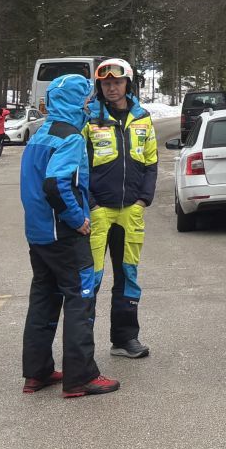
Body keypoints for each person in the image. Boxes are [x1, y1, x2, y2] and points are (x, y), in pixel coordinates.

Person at [19, 73, 117, 397]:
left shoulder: (40, 133)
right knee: (81, 301)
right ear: (77, 102)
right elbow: (55, 184)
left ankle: (37, 372)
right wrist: (77, 220)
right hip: (64, 236)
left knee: (43, 300)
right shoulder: (71, 137)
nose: (90, 103)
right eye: (87, 99)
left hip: (39, 236)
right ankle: (81, 376)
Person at [80, 59, 158, 360]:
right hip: (99, 211)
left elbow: (151, 162)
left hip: (130, 211)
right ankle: (83, 345)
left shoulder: (142, 118)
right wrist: (92, 204)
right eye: (106, 83)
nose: (112, 88)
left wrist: (143, 200)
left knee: (128, 275)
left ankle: (125, 339)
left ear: (128, 84)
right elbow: (79, 167)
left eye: (117, 82)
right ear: (99, 87)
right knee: (92, 277)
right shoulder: (88, 119)